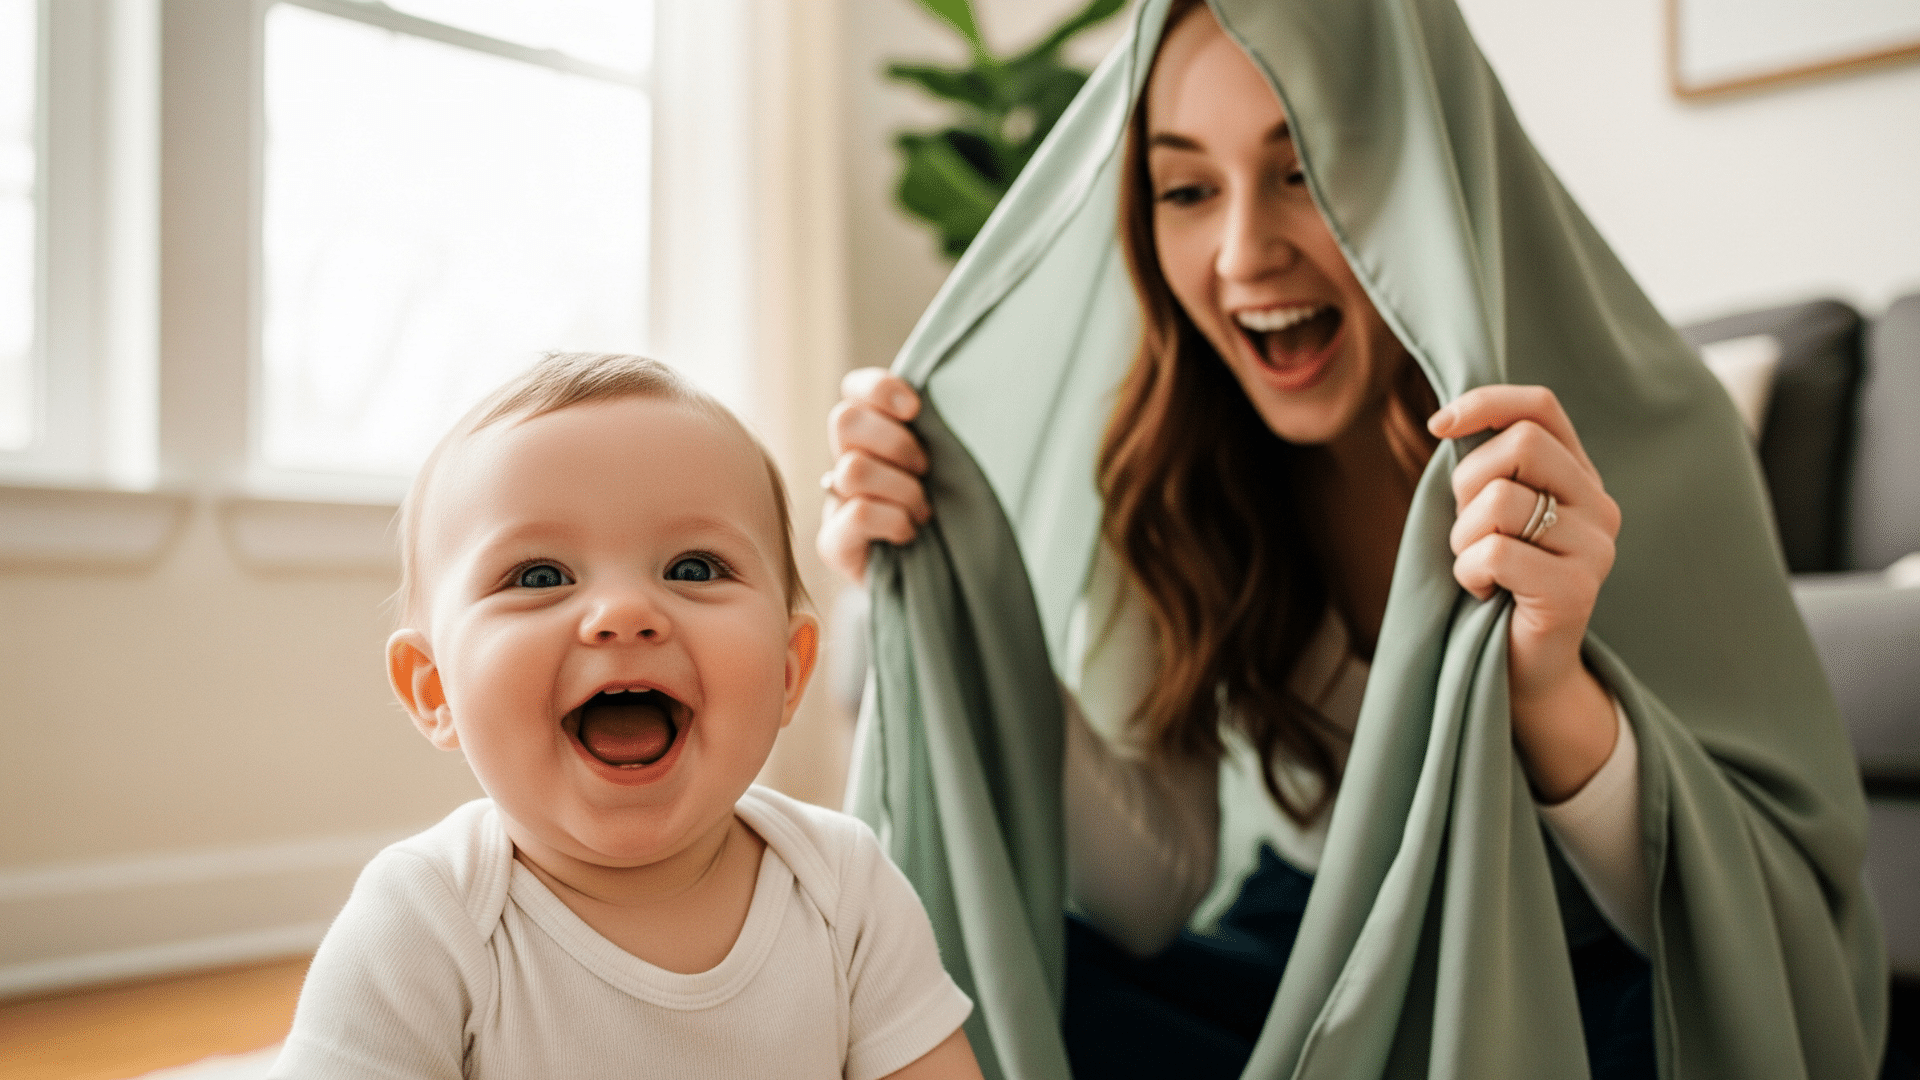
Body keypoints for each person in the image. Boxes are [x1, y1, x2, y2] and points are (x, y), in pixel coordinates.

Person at [821, 0, 1886, 1077]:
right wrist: (953, 599)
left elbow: (1752, 924)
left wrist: (1552, 690)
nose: (1243, 254)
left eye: (1306, 169)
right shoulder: (1184, 464)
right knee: (978, 987)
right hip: (1313, 949)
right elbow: (1155, 893)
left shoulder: (1650, 434)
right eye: (1186, 189)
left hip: (1570, 965)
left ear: (1427, 180)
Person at [271, 353, 983, 1080]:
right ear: (435, 691)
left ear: (791, 670)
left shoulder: (845, 888)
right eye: (540, 577)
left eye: (694, 568)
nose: (624, 613)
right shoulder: (424, 922)